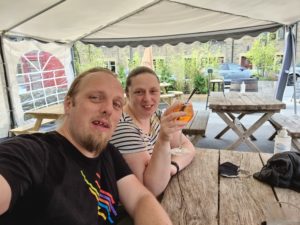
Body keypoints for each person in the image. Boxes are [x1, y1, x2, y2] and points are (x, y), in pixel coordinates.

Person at [0, 67, 172, 225]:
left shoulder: (108, 153)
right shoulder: (35, 152)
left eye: (117, 104)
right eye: (96, 98)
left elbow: (141, 199)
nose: (108, 109)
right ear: (69, 104)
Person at [110, 66, 195, 196]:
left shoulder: (157, 116)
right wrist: (164, 139)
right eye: (139, 92)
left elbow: (187, 147)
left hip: (167, 190)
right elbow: (150, 189)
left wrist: (172, 166)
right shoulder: (123, 127)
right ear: (127, 94)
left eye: (153, 91)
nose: (147, 98)